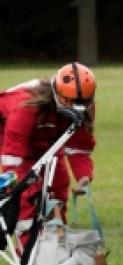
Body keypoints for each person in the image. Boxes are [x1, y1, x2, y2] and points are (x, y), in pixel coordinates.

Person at [0, 63, 97, 249]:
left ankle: (57, 244)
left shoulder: (82, 105)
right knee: (29, 195)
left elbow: (79, 146)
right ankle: (28, 253)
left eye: (82, 102)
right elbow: (13, 155)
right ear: (57, 93)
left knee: (59, 183)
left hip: (46, 140)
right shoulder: (27, 105)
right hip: (10, 136)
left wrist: (83, 176)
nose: (75, 106)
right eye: (69, 101)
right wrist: (18, 183)